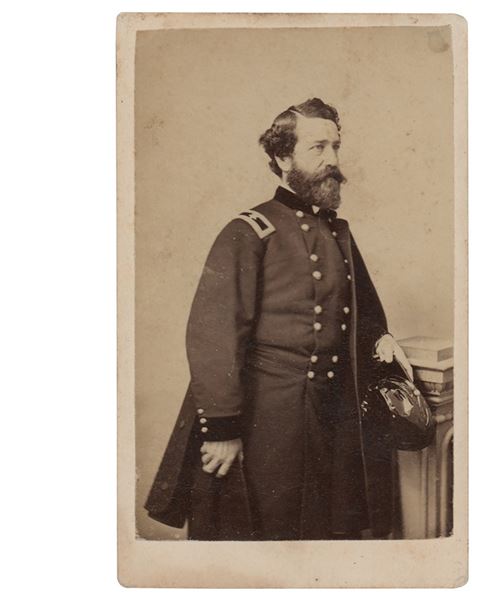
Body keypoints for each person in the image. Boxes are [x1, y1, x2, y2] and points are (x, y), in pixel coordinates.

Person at [145, 98, 414, 541]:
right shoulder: (249, 231)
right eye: (317, 148)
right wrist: (222, 430)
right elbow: (213, 335)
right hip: (267, 419)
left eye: (335, 146)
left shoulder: (337, 231)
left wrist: (380, 337)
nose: (332, 159)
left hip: (333, 413)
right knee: (268, 536)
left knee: (325, 534)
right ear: (282, 157)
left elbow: (359, 306)